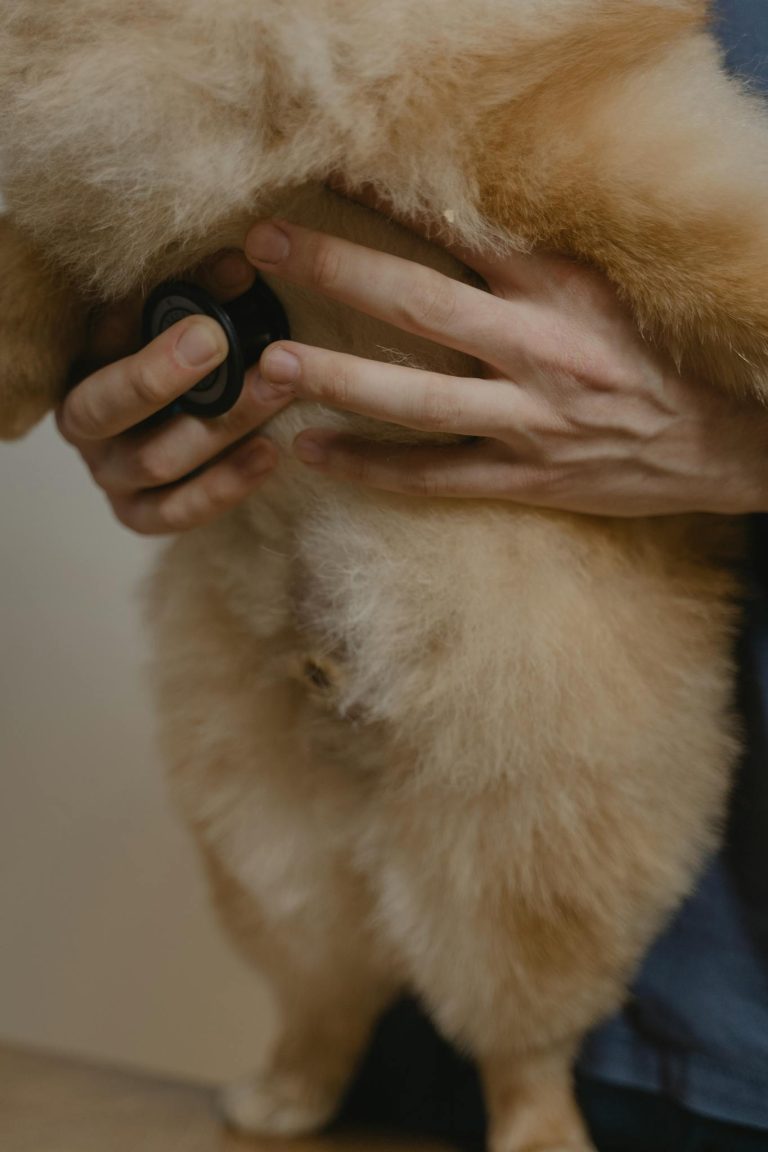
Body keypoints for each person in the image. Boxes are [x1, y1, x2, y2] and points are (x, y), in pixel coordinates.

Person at [54, 3, 768, 1148]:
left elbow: (698, 217)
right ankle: (320, 1031)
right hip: (274, 616)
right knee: (283, 869)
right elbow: (81, 238)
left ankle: (524, 1079)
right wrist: (122, 376)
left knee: (535, 852)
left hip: (730, 1013)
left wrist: (737, 445)